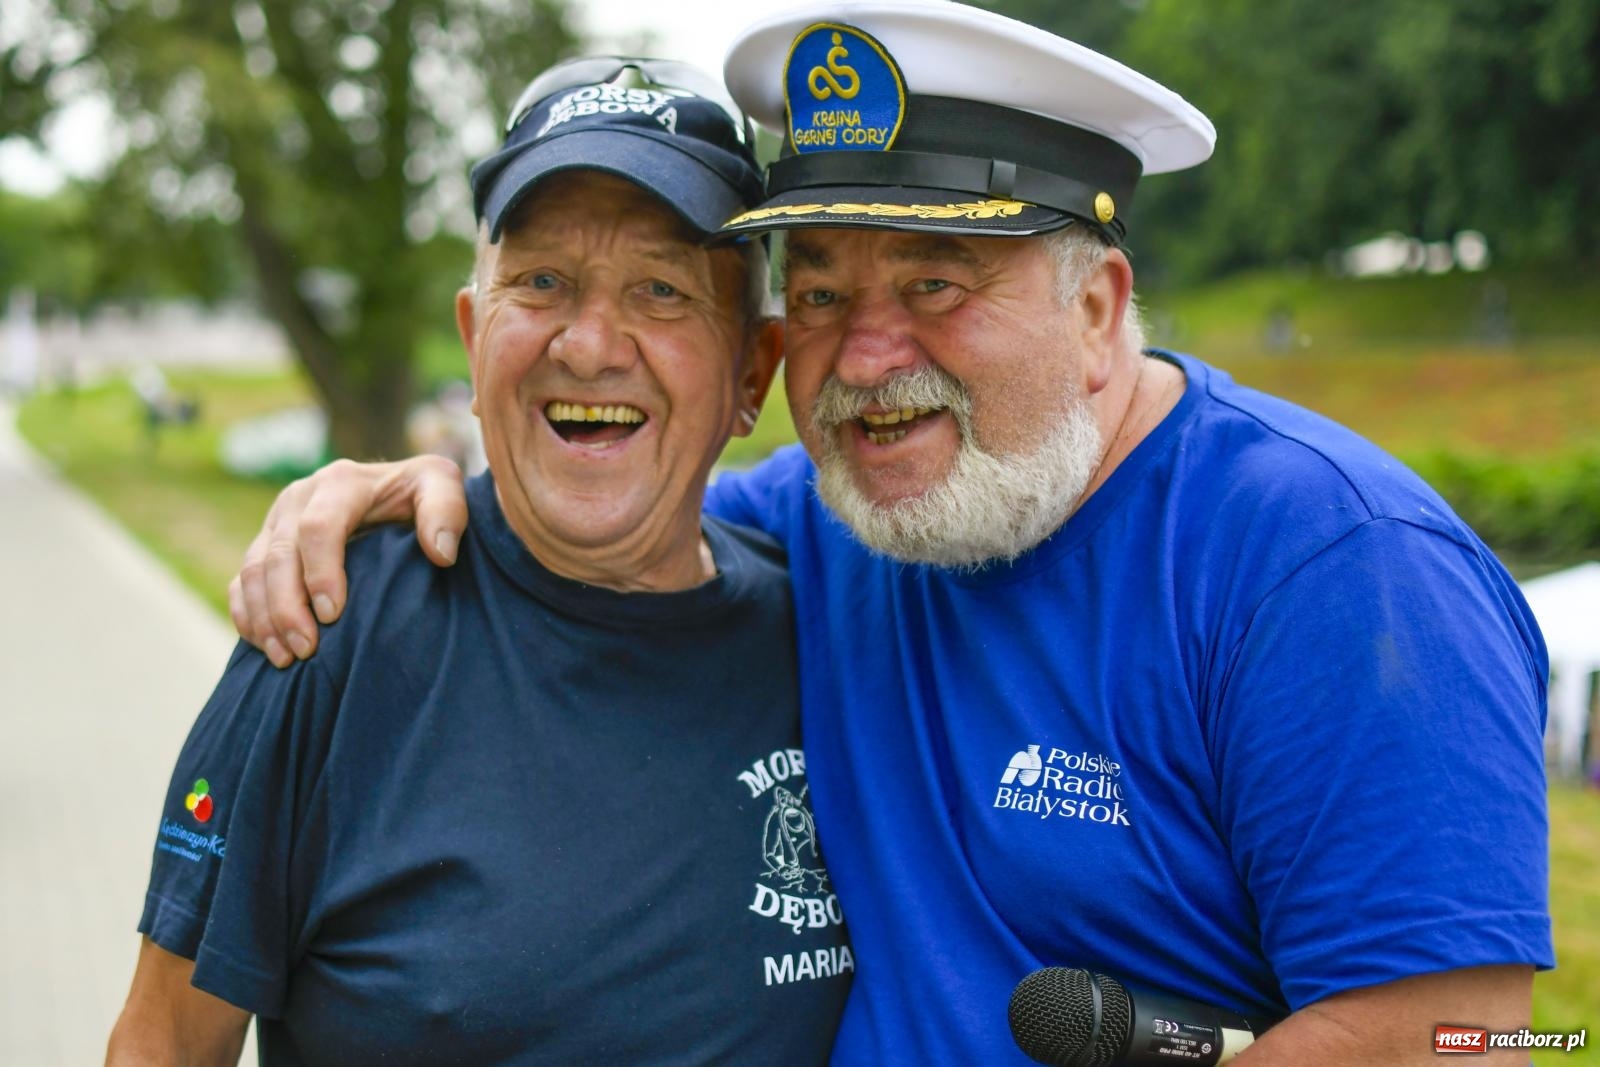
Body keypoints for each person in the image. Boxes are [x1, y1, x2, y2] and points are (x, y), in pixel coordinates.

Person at [230, 6, 1553, 1064]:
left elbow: (1474, 1032)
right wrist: (405, 481)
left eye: (934, 280)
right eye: (819, 291)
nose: (867, 357)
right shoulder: (846, 514)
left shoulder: (1333, 567)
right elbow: (610, 511)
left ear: (1098, 311)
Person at [108, 57, 853, 1066]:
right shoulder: (326, 623)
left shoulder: (830, 638)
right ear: (473, 334)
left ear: (750, 372)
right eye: (541, 281)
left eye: (661, 289)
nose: (589, 344)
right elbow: (162, 1043)